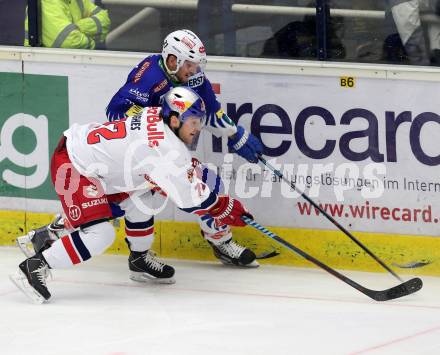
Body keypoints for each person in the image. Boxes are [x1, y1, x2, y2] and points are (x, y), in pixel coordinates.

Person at [18, 29, 263, 271]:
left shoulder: (193, 78)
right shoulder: (149, 76)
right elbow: (116, 110)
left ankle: (213, 242)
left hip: (158, 152)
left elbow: (209, 110)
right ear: (172, 59)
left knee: (135, 197)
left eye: (197, 65)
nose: (194, 71)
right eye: (189, 64)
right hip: (146, 152)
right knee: (185, 188)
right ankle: (53, 234)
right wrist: (155, 124)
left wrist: (235, 134)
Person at [10, 87, 255, 304]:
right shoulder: (162, 146)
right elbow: (189, 199)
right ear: (174, 119)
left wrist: (205, 191)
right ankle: (36, 265)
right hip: (75, 163)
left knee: (148, 197)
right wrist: (225, 206)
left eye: (199, 121)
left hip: (104, 169)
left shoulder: (158, 119)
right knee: (101, 233)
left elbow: (174, 172)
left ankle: (139, 259)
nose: (198, 128)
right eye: (192, 121)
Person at [24, 0, 110, 49]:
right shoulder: (46, 2)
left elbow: (104, 19)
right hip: (46, 68)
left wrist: (78, 27)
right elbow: (68, 42)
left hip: (74, 65)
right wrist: (92, 43)